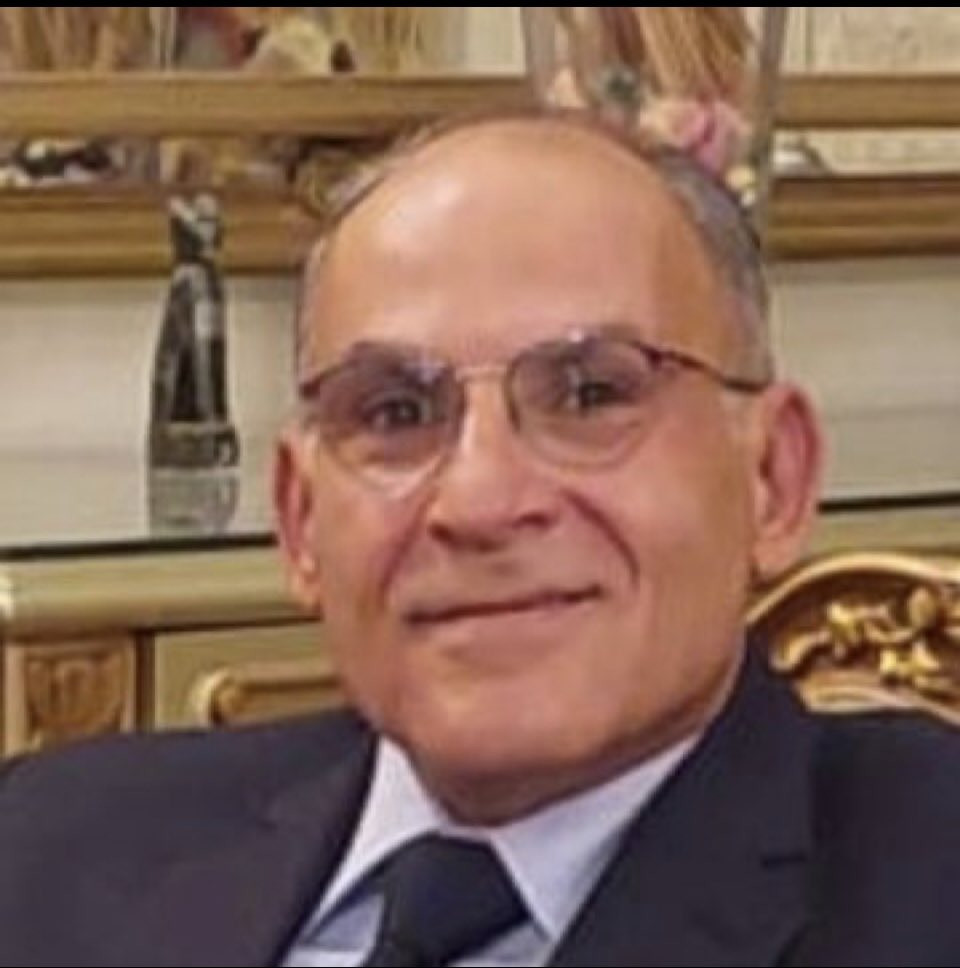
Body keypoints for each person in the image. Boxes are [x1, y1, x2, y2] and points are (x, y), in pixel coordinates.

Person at [2, 110, 960, 968]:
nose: (480, 499)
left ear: (773, 479)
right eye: (394, 411)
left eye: (591, 394)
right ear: (299, 522)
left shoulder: (922, 889)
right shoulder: (48, 850)